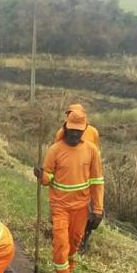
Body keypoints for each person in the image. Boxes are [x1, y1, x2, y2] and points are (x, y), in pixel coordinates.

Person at [33, 109, 104, 273]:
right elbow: (48, 178)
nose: (74, 134)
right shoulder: (55, 150)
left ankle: (67, 272)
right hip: (60, 207)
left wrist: (98, 209)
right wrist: (42, 176)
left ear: (85, 129)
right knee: (60, 244)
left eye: (78, 130)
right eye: (71, 129)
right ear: (65, 127)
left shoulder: (91, 150)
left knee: (74, 244)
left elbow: (97, 181)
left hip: (81, 208)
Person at [53, 104, 101, 253]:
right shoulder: (61, 133)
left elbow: (96, 155)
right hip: (67, 182)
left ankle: (83, 239)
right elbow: (56, 155)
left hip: (86, 178)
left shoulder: (93, 132)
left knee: (89, 212)